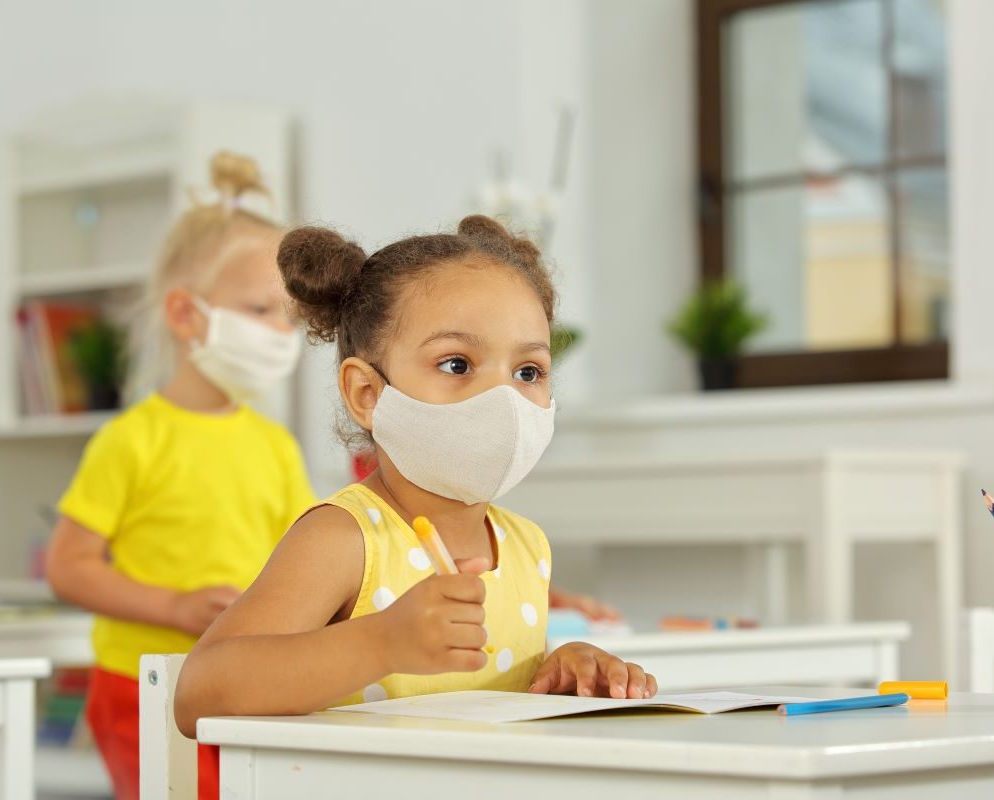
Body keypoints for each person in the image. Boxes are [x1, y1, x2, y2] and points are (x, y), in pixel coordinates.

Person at [174, 215, 657, 738]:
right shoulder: (345, 539)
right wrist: (382, 642)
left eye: (528, 372)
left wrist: (559, 672)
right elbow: (199, 692)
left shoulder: (527, 547)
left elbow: (488, 711)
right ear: (367, 394)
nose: (505, 399)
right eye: (457, 365)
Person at [45, 152, 316, 800]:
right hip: (140, 686)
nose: (281, 333)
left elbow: (309, 562)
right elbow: (68, 566)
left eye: (289, 316)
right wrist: (173, 607)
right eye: (260, 309)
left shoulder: (276, 446)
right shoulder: (130, 441)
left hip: (241, 683)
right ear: (185, 314)